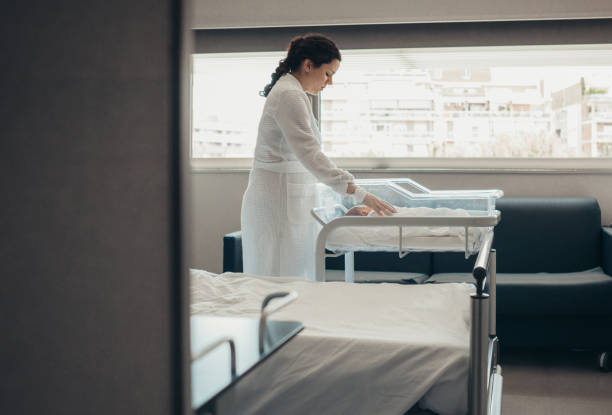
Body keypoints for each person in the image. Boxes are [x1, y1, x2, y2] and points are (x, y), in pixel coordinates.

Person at [240, 33, 396, 279]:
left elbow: (307, 163)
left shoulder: (295, 93)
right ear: (308, 65)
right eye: (328, 74)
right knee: (276, 277)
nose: (329, 83)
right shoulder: (289, 95)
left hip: (290, 198)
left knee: (297, 275)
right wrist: (360, 194)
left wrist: (342, 209)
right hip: (276, 201)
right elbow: (310, 155)